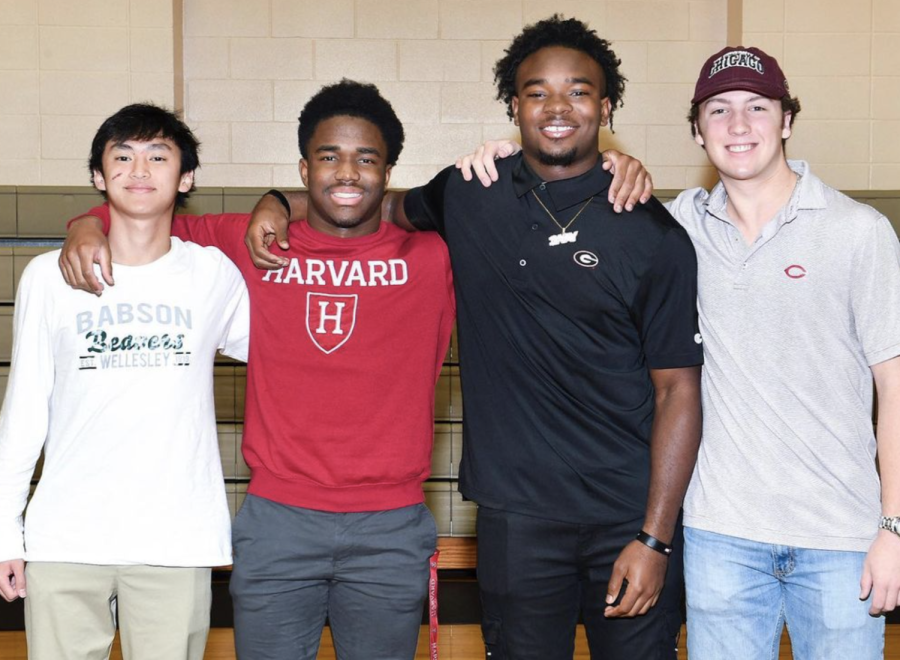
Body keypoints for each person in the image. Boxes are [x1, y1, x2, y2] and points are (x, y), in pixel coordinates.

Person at [240, 16, 703, 660]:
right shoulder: (469, 192)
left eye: (578, 90)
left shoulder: (652, 231)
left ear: (606, 104)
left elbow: (679, 389)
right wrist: (277, 202)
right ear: (514, 106)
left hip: (625, 517)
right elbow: (363, 199)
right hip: (516, 519)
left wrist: (654, 538)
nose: (557, 107)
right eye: (537, 91)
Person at [462, 44, 900, 659]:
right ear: (697, 130)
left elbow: (895, 389)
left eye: (758, 107)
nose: (739, 125)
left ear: (788, 120)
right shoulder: (676, 226)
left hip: (840, 540)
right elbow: (596, 198)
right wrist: (531, 154)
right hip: (719, 538)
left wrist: (893, 527)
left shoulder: (858, 232)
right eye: (719, 110)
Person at [59, 81, 456, 660]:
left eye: (365, 159)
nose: (346, 172)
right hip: (277, 525)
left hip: (390, 529)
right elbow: (144, 214)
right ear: (303, 167)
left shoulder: (433, 255)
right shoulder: (254, 242)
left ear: (388, 170)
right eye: (328, 157)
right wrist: (86, 223)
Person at [0, 103, 250, 660]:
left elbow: (287, 363)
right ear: (98, 176)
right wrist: (4, 533)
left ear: (185, 177)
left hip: (174, 540)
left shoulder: (213, 275)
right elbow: (23, 414)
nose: (140, 170)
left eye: (158, 156)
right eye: (123, 156)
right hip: (65, 536)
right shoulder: (47, 277)